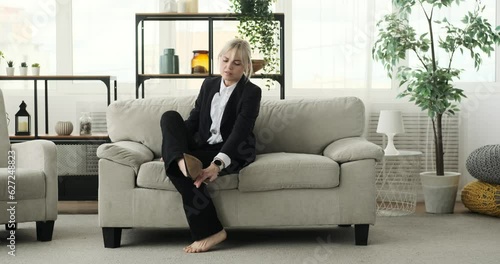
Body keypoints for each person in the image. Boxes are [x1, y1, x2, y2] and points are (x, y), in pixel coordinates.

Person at [160, 38, 262, 253]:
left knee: (177, 172)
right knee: (169, 117)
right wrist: (175, 145)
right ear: (219, 59)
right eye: (225, 60)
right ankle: (180, 160)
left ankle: (211, 231)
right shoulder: (208, 84)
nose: (229, 67)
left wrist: (217, 164)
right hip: (203, 146)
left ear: (246, 66)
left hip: (233, 149)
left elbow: (240, 132)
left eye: (236, 63)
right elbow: (193, 121)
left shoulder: (251, 92)